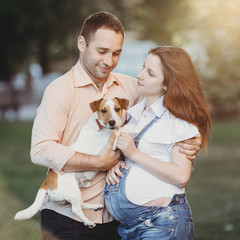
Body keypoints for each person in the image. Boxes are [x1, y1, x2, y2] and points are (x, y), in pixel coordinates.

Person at [30, 11, 202, 240]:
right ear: (82, 43)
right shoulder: (60, 90)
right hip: (68, 218)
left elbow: (173, 105)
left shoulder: (130, 86)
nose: (109, 61)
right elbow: (40, 150)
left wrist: (193, 137)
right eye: (102, 52)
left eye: (116, 53)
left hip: (115, 222)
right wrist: (99, 162)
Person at [105, 46, 211, 240]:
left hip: (161, 224)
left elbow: (181, 176)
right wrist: (119, 166)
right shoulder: (136, 114)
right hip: (130, 227)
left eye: (150, 73)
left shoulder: (177, 121)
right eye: (143, 67)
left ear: (167, 84)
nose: (140, 75)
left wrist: (134, 154)